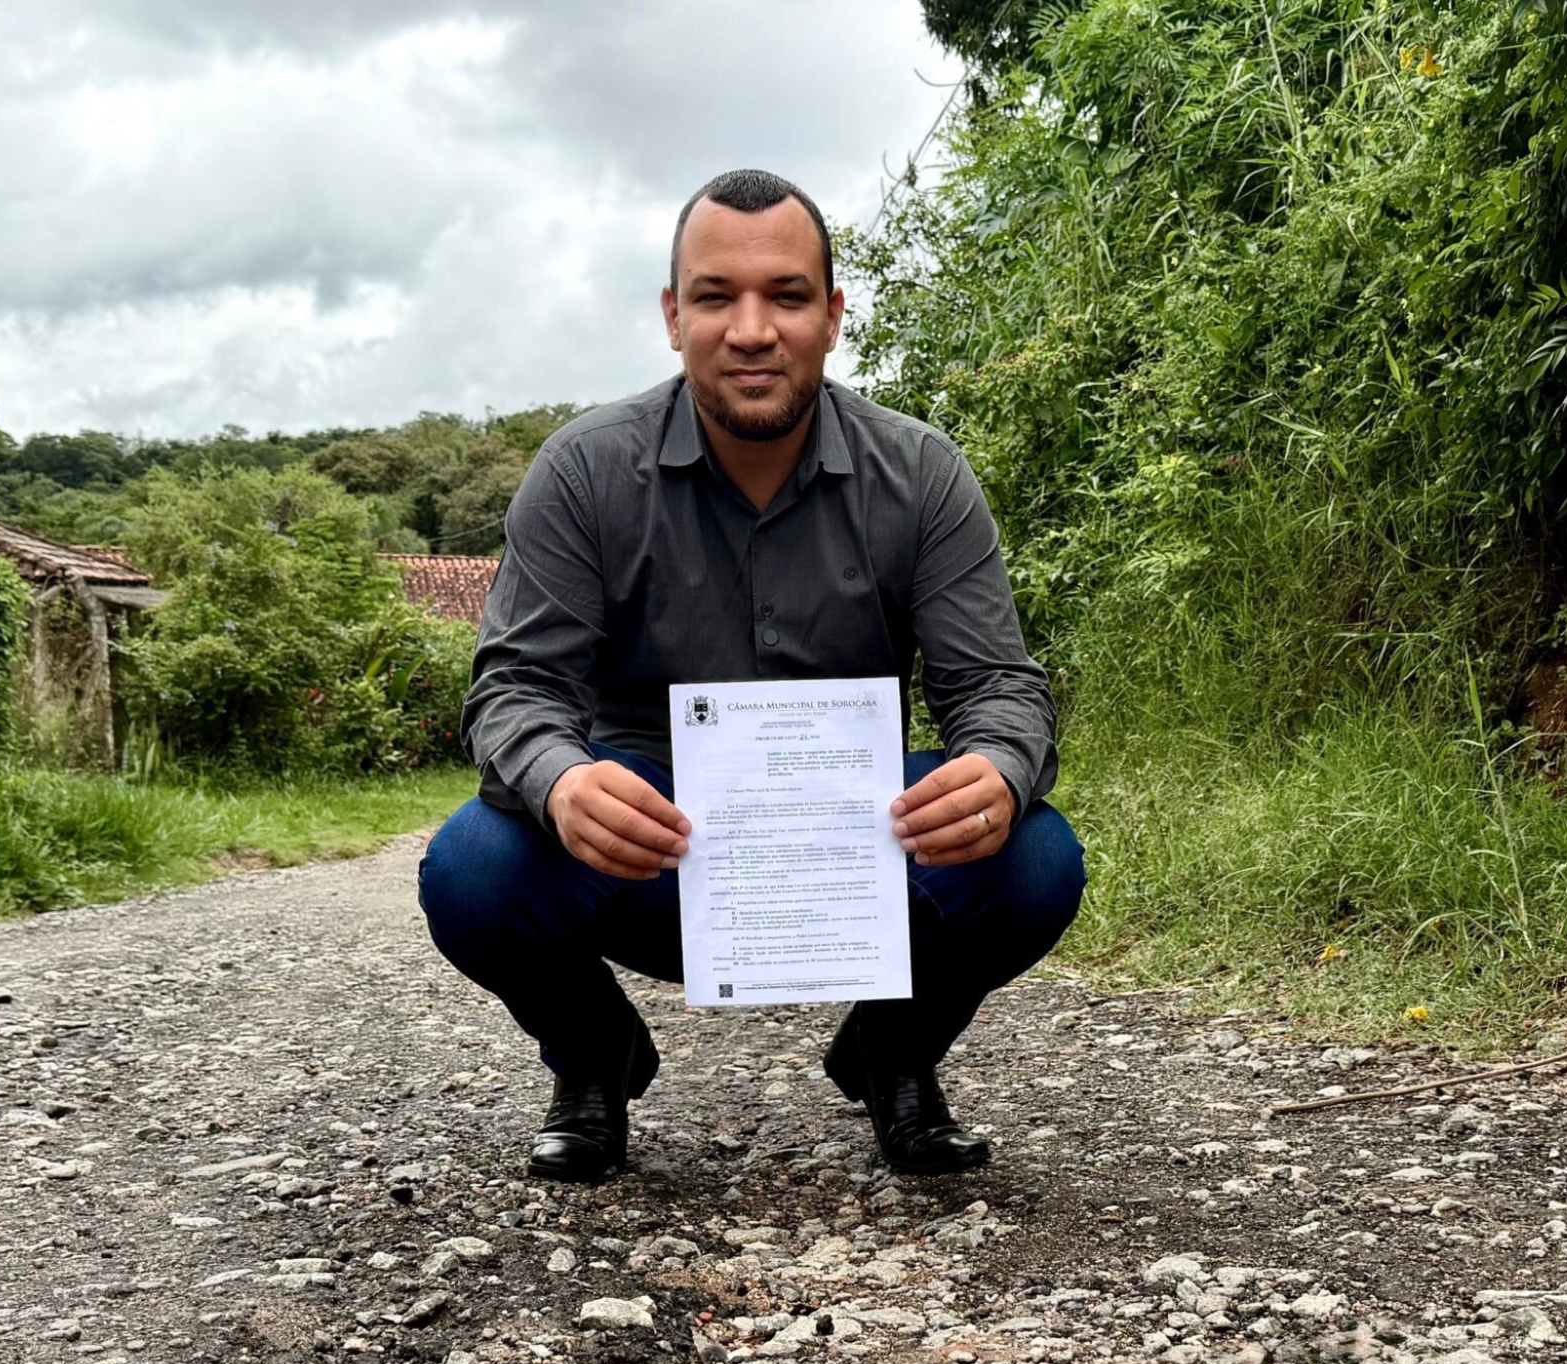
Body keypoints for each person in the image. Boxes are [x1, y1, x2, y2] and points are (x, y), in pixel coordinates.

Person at [419, 167, 1086, 1183]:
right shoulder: (582, 470)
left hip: (847, 853)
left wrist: (996, 765)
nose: (750, 328)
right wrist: (561, 783)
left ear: (830, 315)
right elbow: (513, 689)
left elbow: (997, 682)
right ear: (671, 316)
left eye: (785, 295)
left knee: (1034, 857)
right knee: (470, 869)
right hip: (650, 851)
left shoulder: (922, 474)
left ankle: (892, 1055)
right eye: (714, 296)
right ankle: (592, 1058)